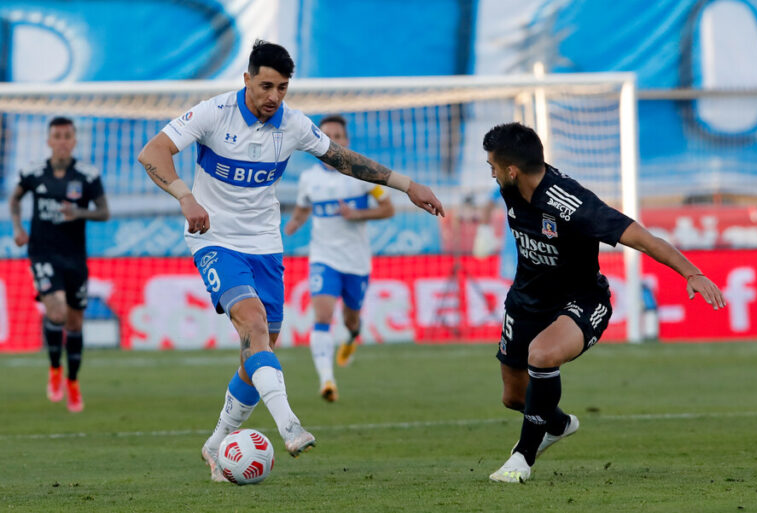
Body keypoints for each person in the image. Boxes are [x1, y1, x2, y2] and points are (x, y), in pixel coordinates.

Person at [137, 40, 443, 482]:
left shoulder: (294, 125)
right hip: (214, 239)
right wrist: (185, 196)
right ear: (246, 80)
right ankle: (289, 424)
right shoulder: (213, 113)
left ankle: (216, 442)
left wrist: (406, 184)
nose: (273, 97)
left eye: (281, 88)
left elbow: (343, 160)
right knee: (254, 325)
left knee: (258, 350)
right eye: (265, 86)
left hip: (265, 244)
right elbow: (153, 152)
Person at [481, 122, 725, 483]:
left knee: (542, 355)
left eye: (493, 167)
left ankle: (521, 459)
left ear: (512, 170)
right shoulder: (513, 188)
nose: (492, 174)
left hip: (581, 301)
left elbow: (644, 239)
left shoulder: (574, 204)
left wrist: (692, 273)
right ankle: (559, 424)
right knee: (515, 397)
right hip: (526, 300)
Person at [285, 115, 395, 402]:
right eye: (327, 135)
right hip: (323, 257)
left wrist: (357, 214)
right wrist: (294, 224)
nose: (333, 140)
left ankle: (351, 337)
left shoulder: (362, 175)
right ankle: (327, 380)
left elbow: (388, 209)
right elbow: (302, 209)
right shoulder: (309, 179)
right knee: (322, 315)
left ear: (346, 142)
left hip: (356, 261)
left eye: (338, 135)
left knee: (351, 319)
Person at [9, 116, 110, 413]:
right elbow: (14, 200)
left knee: (74, 322)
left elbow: (104, 212)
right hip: (42, 253)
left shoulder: (88, 175)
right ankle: (54, 370)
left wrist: (78, 213)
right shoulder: (33, 173)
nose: (62, 141)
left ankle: (72, 381)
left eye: (67, 136)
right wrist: (17, 228)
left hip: (74, 256)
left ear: (74, 140)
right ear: (49, 140)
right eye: (57, 136)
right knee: (56, 311)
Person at [473, 186, 518, 281]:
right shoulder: (507, 181)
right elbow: (488, 205)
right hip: (513, 245)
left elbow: (488, 206)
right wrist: (484, 232)